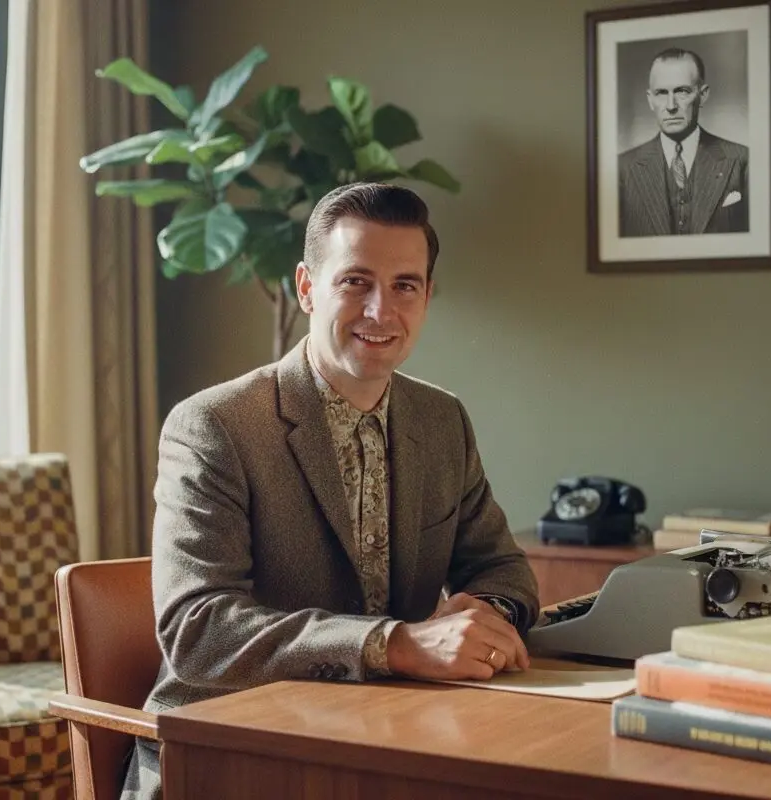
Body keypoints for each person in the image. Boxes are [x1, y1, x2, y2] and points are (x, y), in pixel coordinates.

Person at [121, 182, 540, 799]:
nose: (381, 311)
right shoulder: (214, 425)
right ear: (307, 287)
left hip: (387, 740)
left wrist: (486, 616)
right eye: (355, 282)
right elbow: (199, 632)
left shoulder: (441, 419)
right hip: (228, 754)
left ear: (427, 296)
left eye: (404, 286)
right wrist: (395, 645)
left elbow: (502, 568)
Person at [618, 47, 749, 237]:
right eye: (661, 93)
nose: (671, 106)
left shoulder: (742, 161)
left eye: (682, 91)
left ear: (702, 95)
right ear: (650, 100)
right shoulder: (621, 169)